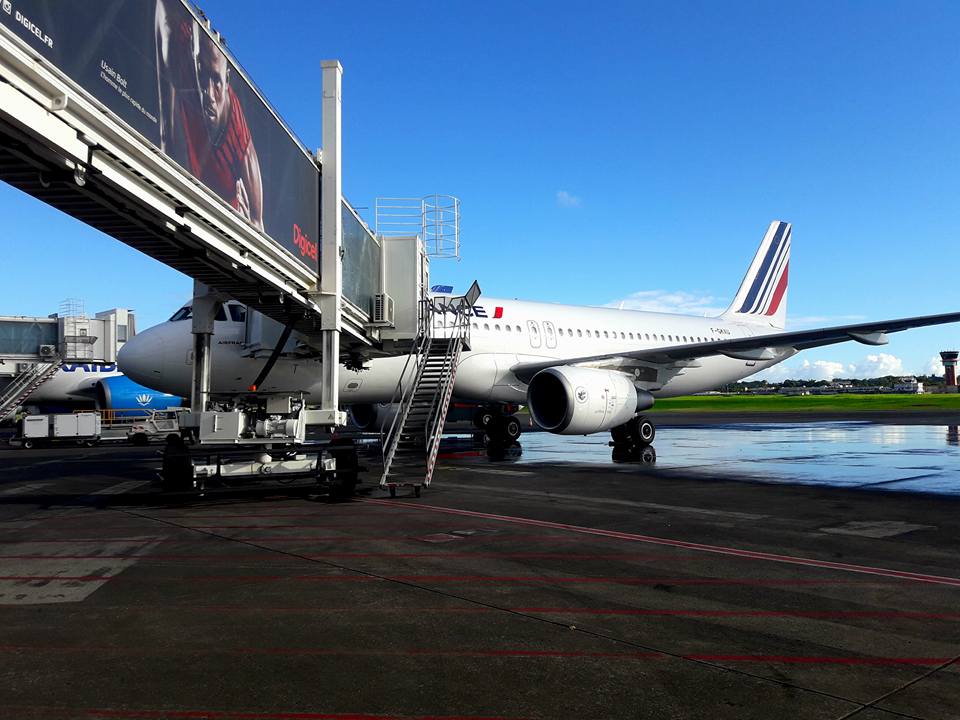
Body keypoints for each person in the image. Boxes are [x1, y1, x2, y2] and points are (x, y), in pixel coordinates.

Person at [155, 0, 264, 230]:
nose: (208, 93)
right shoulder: (182, 53)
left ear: (227, 79)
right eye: (202, 75)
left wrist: (245, 228)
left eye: (216, 80)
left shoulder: (241, 139)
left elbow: (258, 225)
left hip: (224, 223)